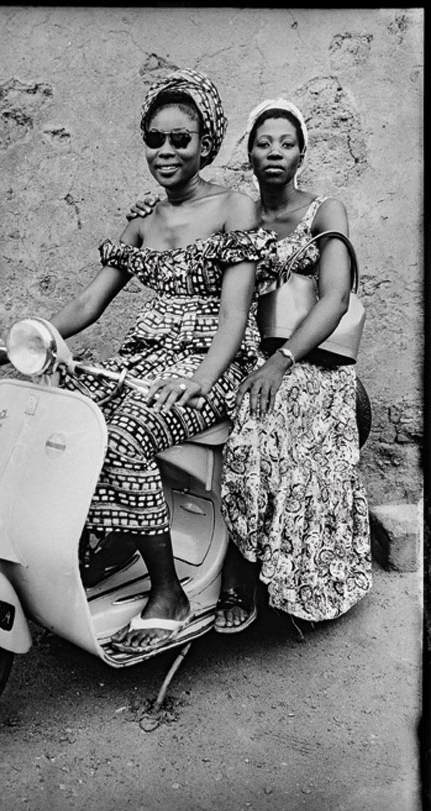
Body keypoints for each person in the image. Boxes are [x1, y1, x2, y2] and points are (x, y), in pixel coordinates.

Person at [0, 69, 276, 654]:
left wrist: (201, 378)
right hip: (142, 357)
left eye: (180, 139)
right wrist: (19, 341)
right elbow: (89, 302)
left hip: (211, 363)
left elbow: (235, 314)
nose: (165, 151)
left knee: (126, 433)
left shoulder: (235, 207)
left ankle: (168, 591)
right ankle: (98, 547)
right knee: (69, 415)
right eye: (155, 139)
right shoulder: (141, 219)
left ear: (206, 142)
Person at [127, 98, 372, 633]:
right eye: (263, 143)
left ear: (302, 152)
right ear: (249, 153)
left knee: (266, 412)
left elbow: (333, 298)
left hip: (306, 358)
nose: (275, 152)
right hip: (245, 351)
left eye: (286, 143)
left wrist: (281, 361)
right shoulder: (238, 212)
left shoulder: (324, 211)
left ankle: (244, 566)